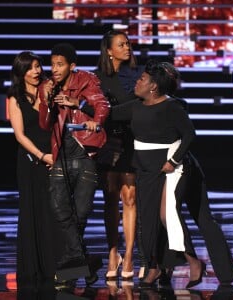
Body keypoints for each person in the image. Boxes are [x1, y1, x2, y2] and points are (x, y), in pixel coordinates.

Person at [111, 59, 205, 288]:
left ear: (153, 86)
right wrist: (80, 105)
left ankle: (193, 260)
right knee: (146, 220)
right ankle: (152, 266)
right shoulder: (136, 106)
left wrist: (173, 160)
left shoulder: (172, 107)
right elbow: (109, 114)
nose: (138, 81)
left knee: (166, 215)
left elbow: (189, 135)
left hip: (169, 166)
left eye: (142, 79)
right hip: (144, 167)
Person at [160, 61, 233, 287]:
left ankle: (192, 263)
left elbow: (184, 137)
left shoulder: (173, 106)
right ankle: (222, 273)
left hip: (179, 167)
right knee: (181, 217)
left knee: (173, 216)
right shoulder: (157, 104)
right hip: (181, 165)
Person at [38, 43, 110, 284]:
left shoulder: (86, 80)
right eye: (53, 64)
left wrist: (79, 107)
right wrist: (47, 101)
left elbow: (102, 105)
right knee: (60, 209)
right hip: (61, 154)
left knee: (80, 213)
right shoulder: (47, 87)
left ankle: (71, 269)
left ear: (72, 66)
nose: (54, 69)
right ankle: (84, 263)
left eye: (60, 65)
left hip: (85, 151)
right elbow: (45, 125)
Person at [94, 29, 145, 281]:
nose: (127, 47)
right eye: (121, 44)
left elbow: (139, 105)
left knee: (130, 197)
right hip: (108, 142)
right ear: (109, 50)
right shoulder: (97, 77)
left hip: (132, 140)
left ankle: (129, 255)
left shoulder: (137, 75)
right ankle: (112, 252)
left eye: (128, 43)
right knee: (110, 197)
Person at [7, 51, 55, 288]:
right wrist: (41, 156)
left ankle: (56, 267)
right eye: (30, 68)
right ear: (21, 72)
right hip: (31, 160)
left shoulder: (50, 90)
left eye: (38, 66)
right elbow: (19, 135)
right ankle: (34, 268)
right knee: (32, 210)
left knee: (55, 212)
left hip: (54, 157)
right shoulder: (15, 97)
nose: (36, 71)